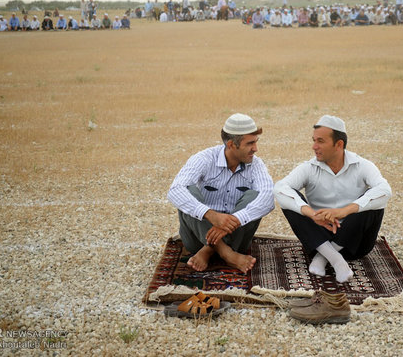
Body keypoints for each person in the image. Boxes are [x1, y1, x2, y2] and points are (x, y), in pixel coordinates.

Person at [274, 115, 391, 283]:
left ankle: (322, 259)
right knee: (291, 200)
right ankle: (335, 259)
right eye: (314, 140)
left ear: (339, 144)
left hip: (356, 245)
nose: (314, 147)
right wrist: (312, 214)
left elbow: (385, 190)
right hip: (319, 239)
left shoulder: (363, 165)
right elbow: (279, 188)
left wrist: (344, 211)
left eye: (320, 141)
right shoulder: (309, 168)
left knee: (373, 201)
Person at [167, 113, 274, 273]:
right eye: (250, 143)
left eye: (256, 142)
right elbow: (175, 191)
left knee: (255, 196)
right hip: (197, 240)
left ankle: (208, 251)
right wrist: (211, 215)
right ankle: (227, 254)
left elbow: (269, 198)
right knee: (188, 190)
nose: (255, 149)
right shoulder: (204, 158)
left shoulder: (256, 164)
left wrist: (234, 220)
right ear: (231, 144)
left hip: (236, 238)